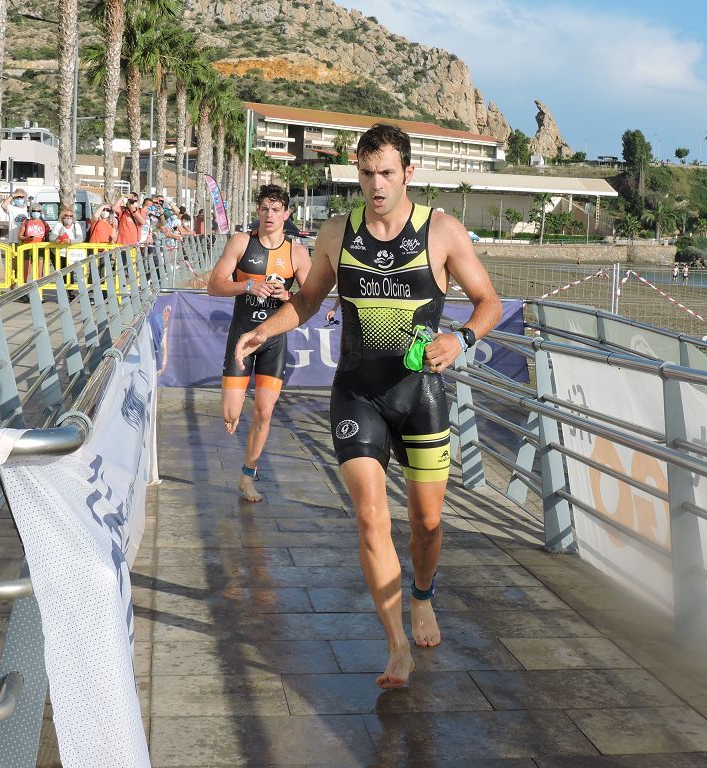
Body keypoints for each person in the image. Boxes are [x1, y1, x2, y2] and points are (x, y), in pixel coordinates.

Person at [234, 124, 501, 688]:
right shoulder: (336, 233)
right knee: (371, 516)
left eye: (386, 173)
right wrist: (264, 333)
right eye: (366, 173)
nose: (375, 185)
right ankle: (396, 643)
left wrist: (464, 340)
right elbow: (306, 302)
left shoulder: (442, 232)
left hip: (421, 396)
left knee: (426, 523)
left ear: (408, 173)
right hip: (357, 392)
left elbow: (488, 302)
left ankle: (422, 596)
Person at [209, 184, 312, 503]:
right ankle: (242, 450)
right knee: (230, 414)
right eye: (265, 209)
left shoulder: (297, 252)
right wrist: (248, 287)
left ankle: (247, 476)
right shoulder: (241, 242)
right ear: (258, 212)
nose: (270, 215)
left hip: (274, 342)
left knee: (264, 413)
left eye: (276, 209)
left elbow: (311, 298)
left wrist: (288, 296)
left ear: (287, 214)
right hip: (242, 339)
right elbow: (214, 285)